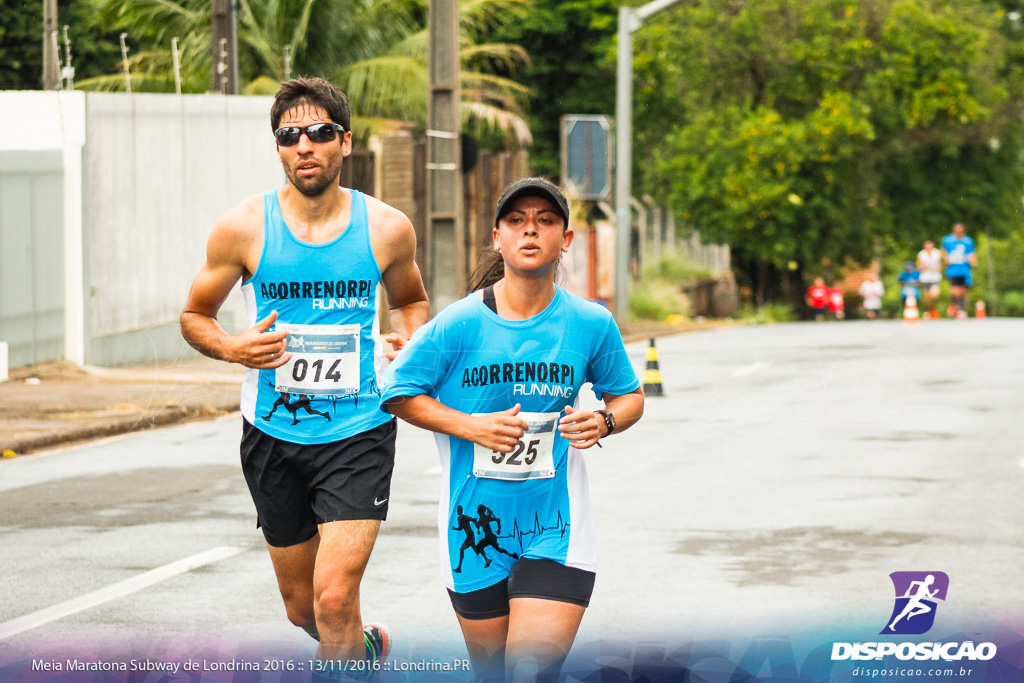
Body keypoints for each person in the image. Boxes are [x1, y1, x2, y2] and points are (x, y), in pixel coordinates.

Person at [179, 77, 430, 678]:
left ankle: (346, 646)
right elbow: (194, 317)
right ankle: (362, 650)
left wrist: (410, 345)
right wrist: (235, 348)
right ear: (279, 148)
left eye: (319, 133)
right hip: (271, 431)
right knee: (304, 610)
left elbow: (412, 302)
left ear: (344, 143)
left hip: (360, 428)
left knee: (334, 597)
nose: (305, 146)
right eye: (290, 136)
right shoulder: (242, 228)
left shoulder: (386, 227)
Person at [379, 178, 645, 681]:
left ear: (565, 240)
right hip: (471, 529)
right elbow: (394, 392)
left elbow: (630, 396)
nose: (531, 231)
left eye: (545, 221)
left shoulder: (590, 322)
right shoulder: (456, 325)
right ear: (497, 238)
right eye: (517, 221)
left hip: (556, 527)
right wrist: (469, 425)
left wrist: (605, 420)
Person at [941, 222, 976, 319]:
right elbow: (943, 252)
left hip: (964, 269)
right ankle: (955, 306)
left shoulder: (968, 241)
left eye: (960, 229)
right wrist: (946, 259)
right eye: (957, 229)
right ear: (954, 229)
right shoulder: (947, 240)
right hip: (953, 269)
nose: (959, 231)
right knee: (955, 290)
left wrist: (973, 261)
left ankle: (961, 309)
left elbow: (972, 253)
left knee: (963, 291)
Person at [916, 239, 942, 318]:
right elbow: (918, 265)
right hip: (925, 277)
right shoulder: (921, 254)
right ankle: (927, 311)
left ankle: (933, 308)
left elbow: (941, 263)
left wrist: (939, 268)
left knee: (935, 295)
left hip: (935, 277)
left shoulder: (937, 253)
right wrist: (922, 267)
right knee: (927, 297)